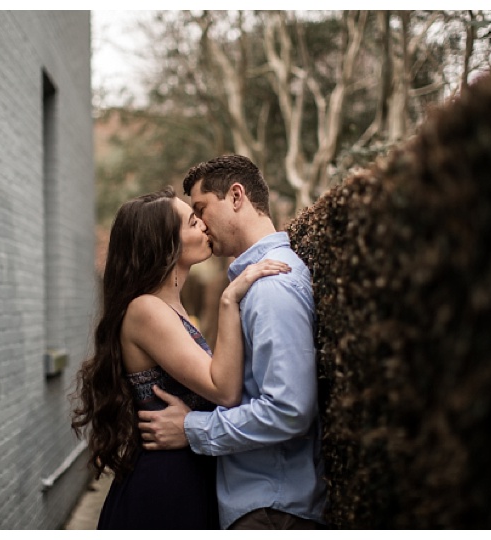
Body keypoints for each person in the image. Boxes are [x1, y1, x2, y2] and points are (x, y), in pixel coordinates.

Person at [71, 186, 290, 529]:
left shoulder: (171, 307)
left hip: (186, 472)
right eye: (192, 222)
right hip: (164, 485)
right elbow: (224, 389)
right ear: (165, 243)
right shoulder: (147, 310)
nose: (203, 225)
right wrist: (229, 300)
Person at [138, 155, 327, 530]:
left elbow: (289, 410)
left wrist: (193, 427)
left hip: (273, 509)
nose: (201, 224)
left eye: (201, 209)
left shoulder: (271, 286)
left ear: (236, 196)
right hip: (264, 504)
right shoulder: (252, 285)